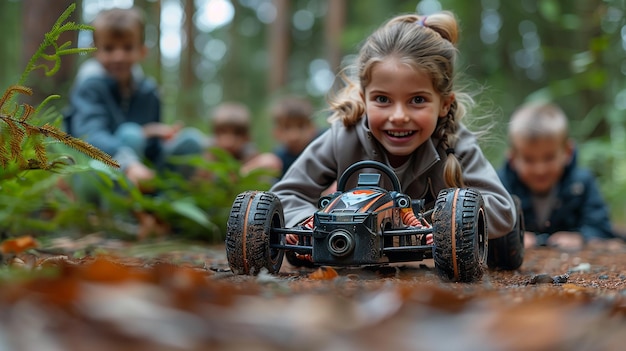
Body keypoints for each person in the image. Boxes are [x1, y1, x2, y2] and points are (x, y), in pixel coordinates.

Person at [269, 11, 521, 269]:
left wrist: (447, 224)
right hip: (349, 237)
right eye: (382, 99)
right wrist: (305, 224)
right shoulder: (343, 136)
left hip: (430, 235)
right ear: (363, 97)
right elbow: (286, 193)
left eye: (417, 100)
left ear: (444, 104)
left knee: (500, 258)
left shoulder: (454, 142)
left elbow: (501, 209)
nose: (399, 116)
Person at [64, 7, 203, 236]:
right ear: (95, 52)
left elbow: (151, 150)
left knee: (190, 141)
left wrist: (155, 137)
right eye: (109, 48)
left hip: (139, 174)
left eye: (127, 48)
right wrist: (128, 162)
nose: (118, 56)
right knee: (130, 133)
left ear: (141, 51)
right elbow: (88, 135)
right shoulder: (89, 87)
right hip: (94, 172)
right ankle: (120, 222)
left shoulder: (149, 93)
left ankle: (162, 215)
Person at [498, 101, 615, 251]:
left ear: (567, 152)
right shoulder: (500, 184)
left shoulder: (583, 182)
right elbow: (487, 229)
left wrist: (581, 237)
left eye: (549, 157)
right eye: (528, 159)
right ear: (513, 158)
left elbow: (601, 227)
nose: (540, 169)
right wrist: (512, 237)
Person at [200, 102, 281, 177]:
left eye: (237, 134)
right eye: (223, 132)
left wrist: (244, 171)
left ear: (246, 137)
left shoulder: (248, 152)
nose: (229, 141)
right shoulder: (210, 150)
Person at [270, 95, 322, 178]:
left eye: (301, 126)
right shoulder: (278, 160)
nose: (294, 135)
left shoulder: (322, 149)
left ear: (312, 128)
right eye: (287, 127)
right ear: (277, 132)